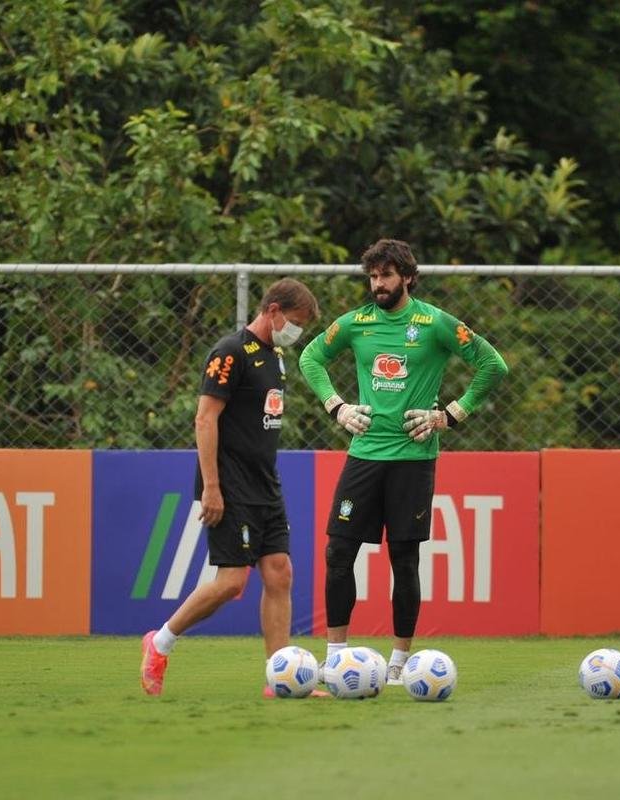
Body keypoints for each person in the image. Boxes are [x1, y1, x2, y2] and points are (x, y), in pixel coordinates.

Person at [298, 238, 508, 684]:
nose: (378, 284)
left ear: (408, 277)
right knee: (338, 551)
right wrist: (337, 406)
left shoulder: (433, 323)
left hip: (413, 457)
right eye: (373, 276)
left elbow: (493, 365)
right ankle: (336, 656)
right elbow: (311, 356)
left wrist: (449, 415)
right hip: (365, 455)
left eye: (387, 276)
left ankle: (399, 660)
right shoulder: (355, 324)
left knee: (404, 558)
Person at [141, 277, 321, 697]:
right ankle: (160, 641)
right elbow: (205, 419)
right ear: (273, 310)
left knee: (280, 574)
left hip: (266, 484)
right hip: (231, 484)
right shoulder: (229, 352)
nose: (295, 333)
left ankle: (279, 680)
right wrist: (212, 487)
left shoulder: (275, 357)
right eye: (294, 322)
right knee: (232, 583)